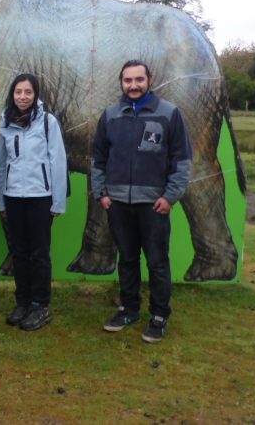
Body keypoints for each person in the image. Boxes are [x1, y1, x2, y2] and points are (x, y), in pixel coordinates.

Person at [93, 59, 192, 343]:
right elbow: (98, 158)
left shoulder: (169, 114)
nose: (133, 85)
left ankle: (159, 316)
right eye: (128, 81)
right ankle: (128, 310)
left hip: (154, 206)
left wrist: (169, 196)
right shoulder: (111, 115)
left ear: (150, 79)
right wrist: (102, 193)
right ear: (121, 82)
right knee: (127, 259)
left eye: (138, 80)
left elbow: (182, 161)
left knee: (158, 263)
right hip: (118, 204)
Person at [0, 74, 67, 332]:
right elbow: (1, 164)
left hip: (40, 198)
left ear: (35, 95)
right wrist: (0, 200)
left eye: (27, 92)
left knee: (39, 254)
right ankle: (22, 303)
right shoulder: (6, 121)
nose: (22, 97)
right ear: (12, 95)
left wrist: (58, 201)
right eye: (18, 92)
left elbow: (58, 161)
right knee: (19, 253)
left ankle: (40, 305)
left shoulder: (48, 122)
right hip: (14, 197)